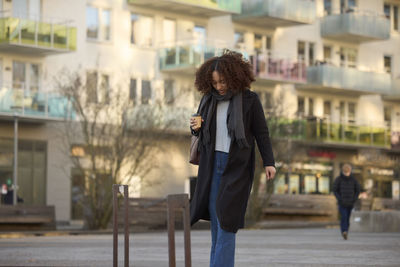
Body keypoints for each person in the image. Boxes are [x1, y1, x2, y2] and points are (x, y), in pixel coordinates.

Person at [189, 50, 276, 267]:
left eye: (223, 81)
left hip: (236, 168)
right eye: (215, 82)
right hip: (210, 167)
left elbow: (261, 133)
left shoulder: (249, 100)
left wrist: (269, 162)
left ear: (235, 76)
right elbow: (202, 135)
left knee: (227, 223)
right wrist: (196, 128)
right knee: (216, 228)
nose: (219, 86)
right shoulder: (208, 100)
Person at [333, 163, 360, 240]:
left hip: (350, 203)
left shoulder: (354, 180)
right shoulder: (338, 179)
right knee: (344, 216)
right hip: (342, 203)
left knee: (348, 218)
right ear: (343, 171)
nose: (346, 174)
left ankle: (346, 231)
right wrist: (339, 199)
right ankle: (344, 231)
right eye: (345, 172)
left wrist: (354, 199)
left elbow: (357, 190)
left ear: (350, 171)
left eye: (348, 172)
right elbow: (335, 190)